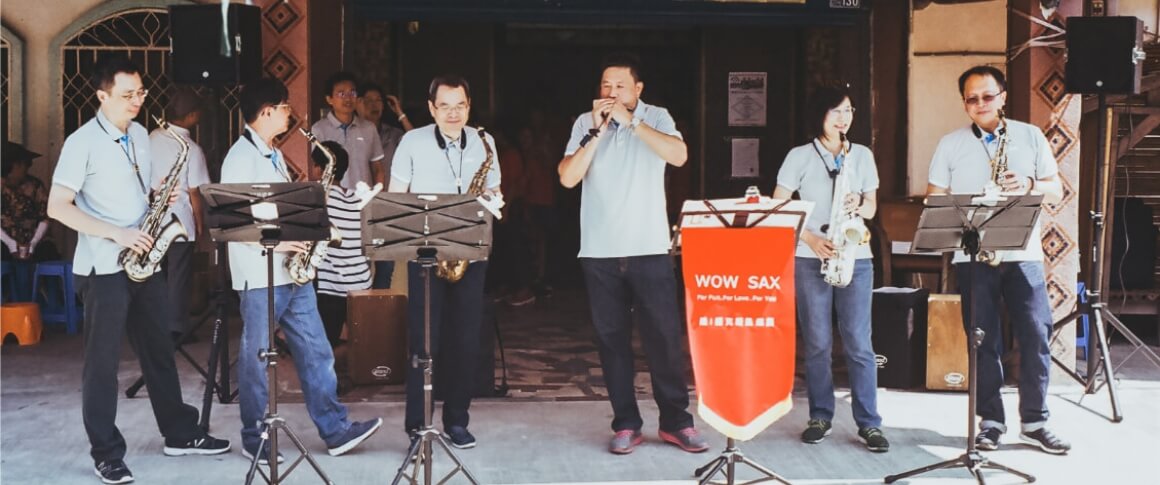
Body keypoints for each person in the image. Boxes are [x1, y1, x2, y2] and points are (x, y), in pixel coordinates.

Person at [47, 55, 230, 484]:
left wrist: (156, 197)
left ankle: (179, 433)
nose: (137, 101)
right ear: (102, 95)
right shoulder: (81, 142)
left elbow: (133, 190)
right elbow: (57, 207)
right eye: (127, 94)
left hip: (143, 262)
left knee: (159, 350)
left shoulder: (141, 137)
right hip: (103, 267)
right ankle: (106, 453)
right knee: (102, 364)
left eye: (141, 92)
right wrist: (117, 233)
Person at [221, 77, 382, 465]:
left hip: (292, 273)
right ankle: (254, 436)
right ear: (266, 112)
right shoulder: (240, 158)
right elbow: (232, 220)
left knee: (317, 351)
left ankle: (335, 430)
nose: (289, 114)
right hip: (261, 275)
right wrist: (279, 240)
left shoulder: (272, 154)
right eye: (284, 107)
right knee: (258, 357)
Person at [558, 52, 707, 455]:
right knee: (612, 341)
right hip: (600, 250)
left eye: (620, 85)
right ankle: (626, 423)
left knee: (663, 339)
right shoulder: (585, 123)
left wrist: (631, 122)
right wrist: (597, 131)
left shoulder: (657, 116)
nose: (611, 92)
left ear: (638, 89)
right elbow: (568, 177)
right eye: (605, 85)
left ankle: (677, 422)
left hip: (649, 247)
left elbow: (679, 155)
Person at [927, 65, 1070, 455]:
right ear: (964, 104)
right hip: (972, 256)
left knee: (1036, 334)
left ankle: (1035, 422)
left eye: (988, 96)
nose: (980, 104)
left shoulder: (1030, 136)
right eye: (971, 99)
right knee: (982, 339)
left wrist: (1028, 185)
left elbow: (1056, 191)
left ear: (1003, 97)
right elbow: (934, 195)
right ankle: (990, 422)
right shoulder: (951, 143)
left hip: (1023, 253)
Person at [772, 83, 888, 453]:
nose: (844, 118)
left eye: (849, 110)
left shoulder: (862, 155)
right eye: (836, 111)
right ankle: (820, 416)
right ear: (819, 114)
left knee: (859, 343)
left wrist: (858, 204)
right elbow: (779, 205)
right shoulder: (799, 156)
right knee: (818, 342)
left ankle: (869, 423)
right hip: (810, 256)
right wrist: (809, 239)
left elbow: (871, 207)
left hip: (855, 255)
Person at [388, 74, 501, 450]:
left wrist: (492, 199)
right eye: (445, 106)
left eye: (460, 106)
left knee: (465, 340)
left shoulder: (484, 142)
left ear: (469, 106)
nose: (454, 114)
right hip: (425, 254)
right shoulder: (412, 141)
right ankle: (418, 425)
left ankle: (457, 421)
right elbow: (396, 196)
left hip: (470, 252)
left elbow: (494, 189)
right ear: (431, 108)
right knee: (423, 342)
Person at [148, 86, 211, 340]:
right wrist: (200, 224)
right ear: (192, 115)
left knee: (154, 274)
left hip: (152, 221)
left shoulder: (152, 137)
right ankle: (176, 328)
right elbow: (195, 192)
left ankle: (154, 325)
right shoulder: (192, 149)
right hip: (180, 220)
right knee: (179, 276)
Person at [309, 140, 372, 348]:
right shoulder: (357, 198)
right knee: (362, 348)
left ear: (319, 169)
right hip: (361, 284)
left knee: (326, 347)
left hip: (331, 287)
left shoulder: (319, 198)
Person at [355, 82, 413, 289]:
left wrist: (400, 113)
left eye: (378, 100)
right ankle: (361, 307)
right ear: (358, 103)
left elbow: (415, 142)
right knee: (359, 266)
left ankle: (378, 307)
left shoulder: (393, 134)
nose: (374, 105)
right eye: (368, 100)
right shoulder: (353, 131)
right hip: (357, 207)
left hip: (386, 207)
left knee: (385, 268)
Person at [2, 140, 58, 301]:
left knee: (49, 253)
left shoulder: (34, 185)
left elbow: (45, 217)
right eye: (24, 164)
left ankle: (51, 300)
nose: (27, 168)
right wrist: (10, 244)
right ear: (13, 166)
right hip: (4, 241)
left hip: (36, 241)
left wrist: (32, 244)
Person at [310, 72, 385, 191]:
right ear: (329, 99)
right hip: (332, 197)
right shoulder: (318, 129)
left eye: (352, 93)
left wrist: (376, 195)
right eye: (341, 94)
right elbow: (314, 170)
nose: (348, 98)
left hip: (363, 197)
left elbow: (377, 168)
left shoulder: (369, 128)